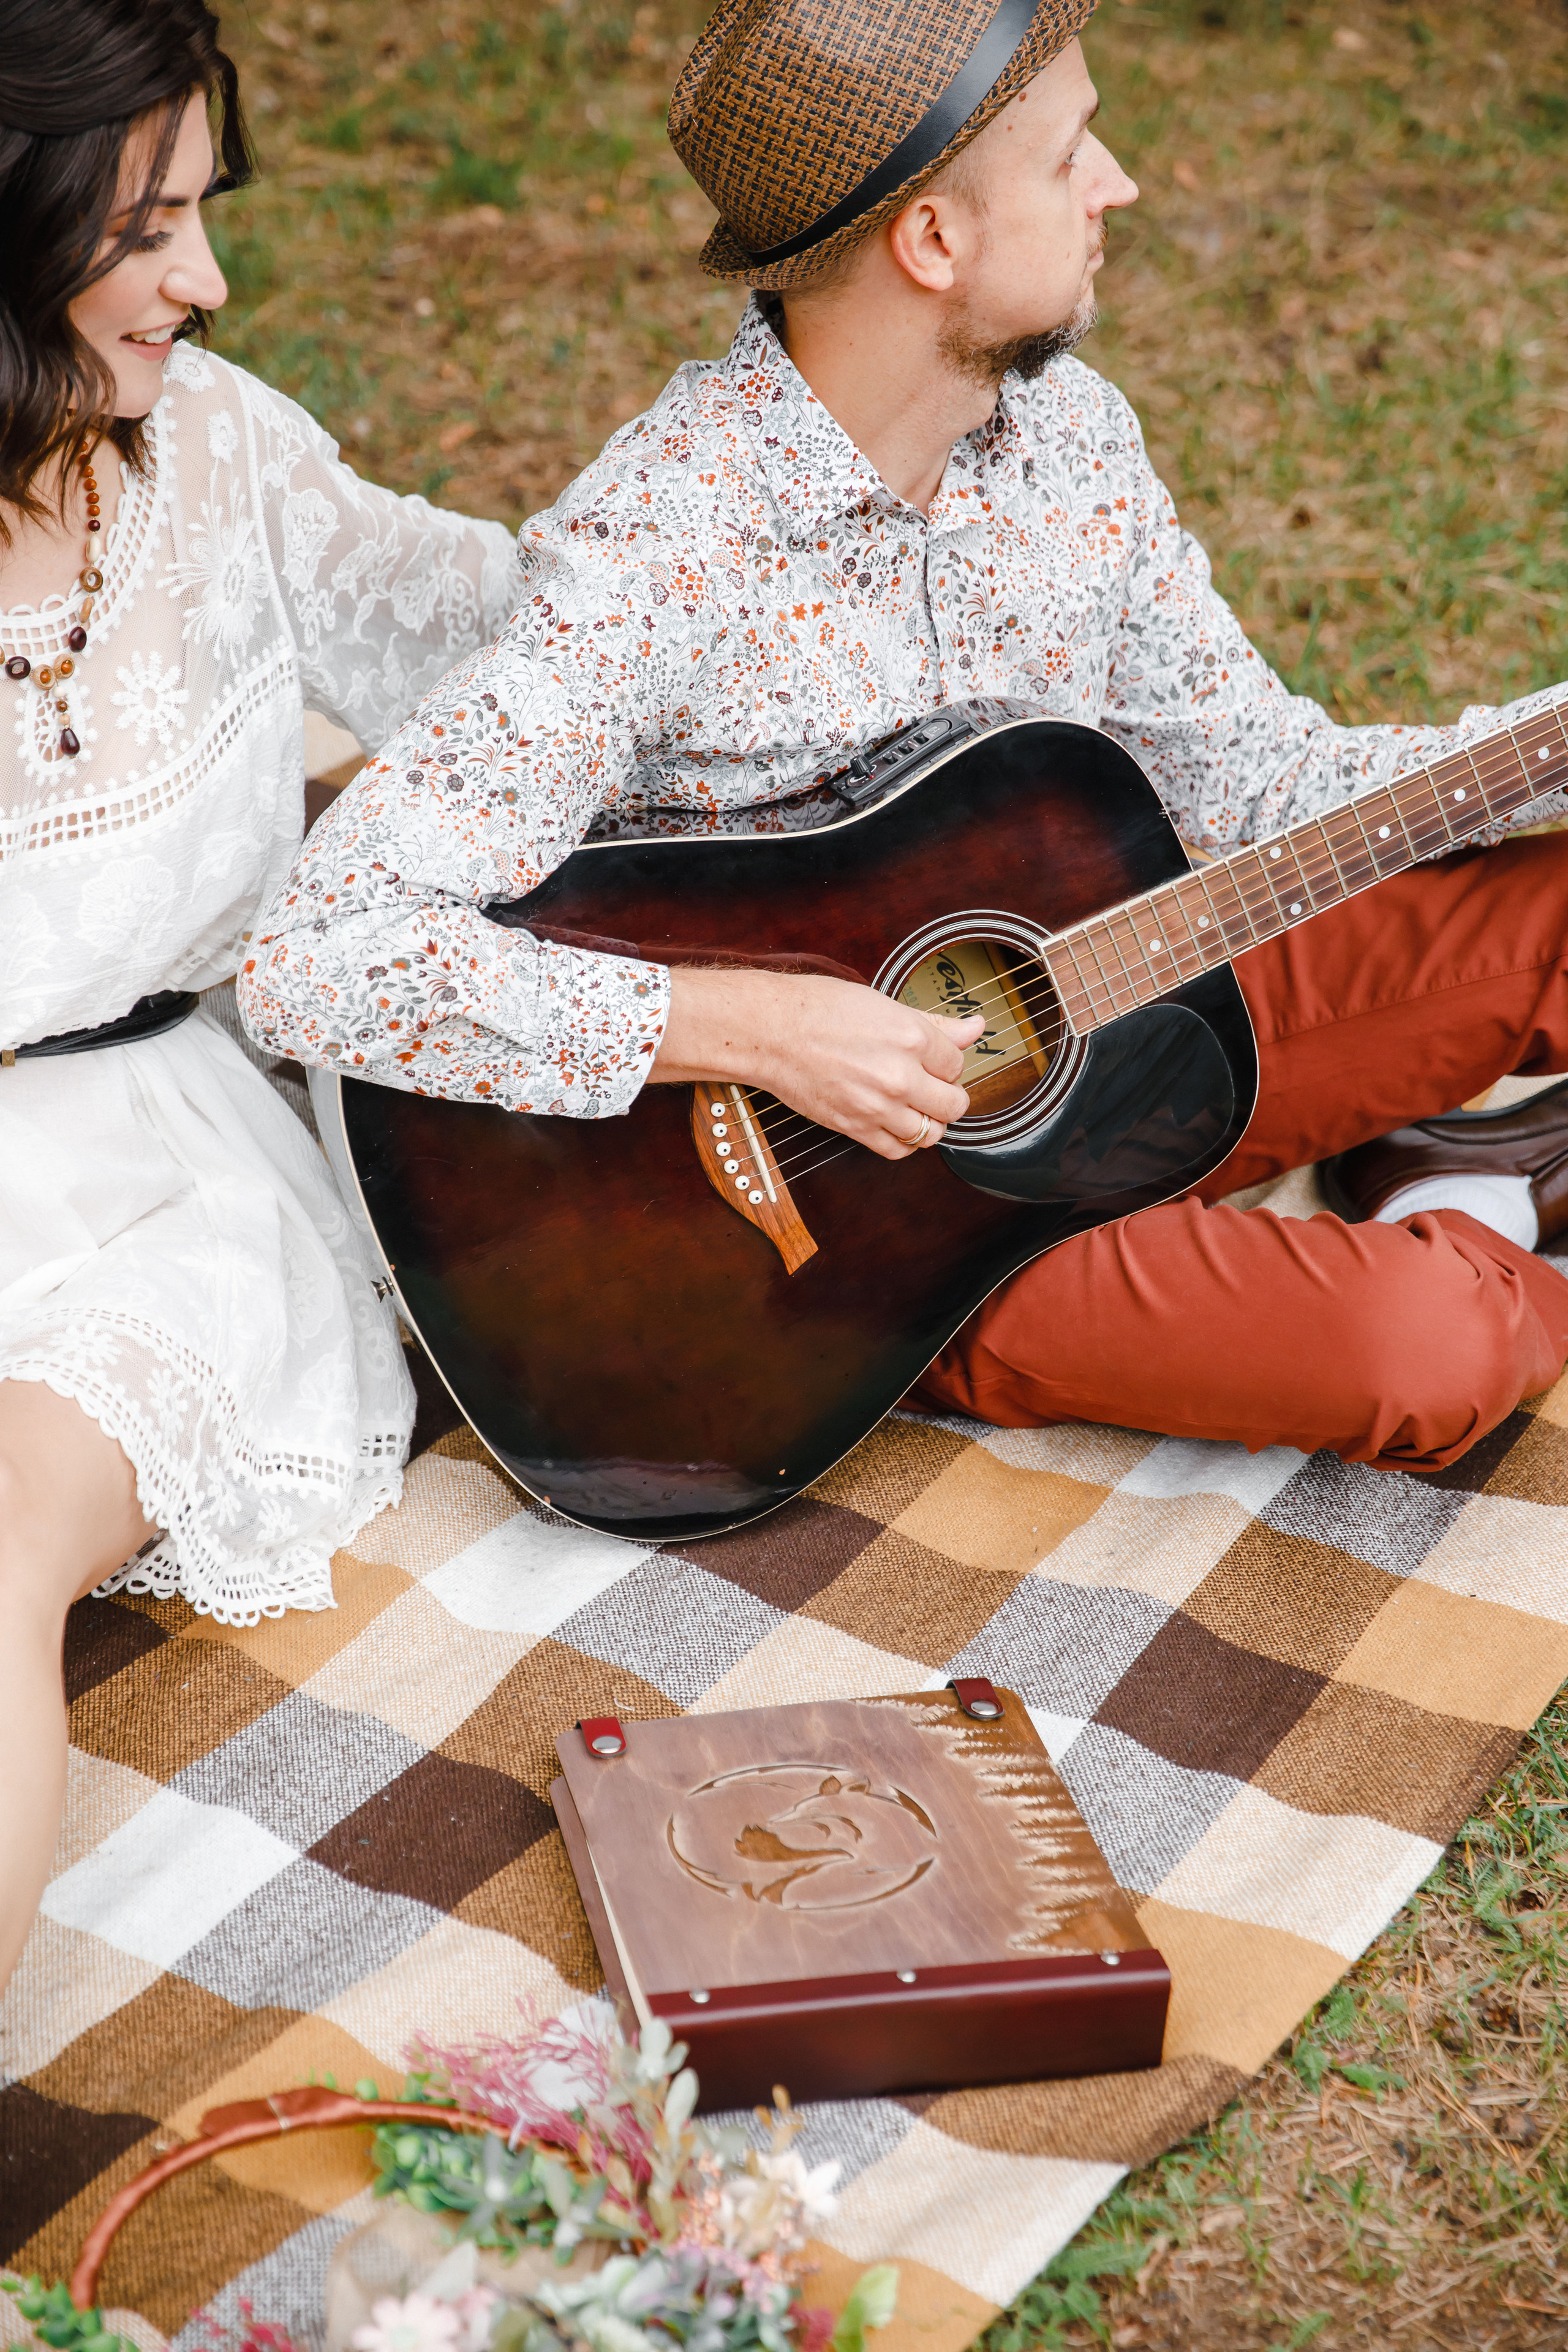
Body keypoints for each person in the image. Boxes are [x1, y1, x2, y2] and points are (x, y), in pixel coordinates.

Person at [243, 0, 1568, 1494]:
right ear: (931, 242)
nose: (1116, 182)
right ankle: (1469, 1213)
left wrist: (1540, 747)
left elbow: (1262, 788)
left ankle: (1459, 1167)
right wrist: (763, 1033)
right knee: (1432, 1351)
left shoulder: (1071, 444)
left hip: (1108, 1004)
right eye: (1072, 155)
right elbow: (320, 956)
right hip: (852, 1252)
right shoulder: (661, 555)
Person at [0, 0, 526, 1989]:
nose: (205, 284)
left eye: (205, 215)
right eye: (145, 231)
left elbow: (523, 644)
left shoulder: (221, 462)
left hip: (153, 1179)